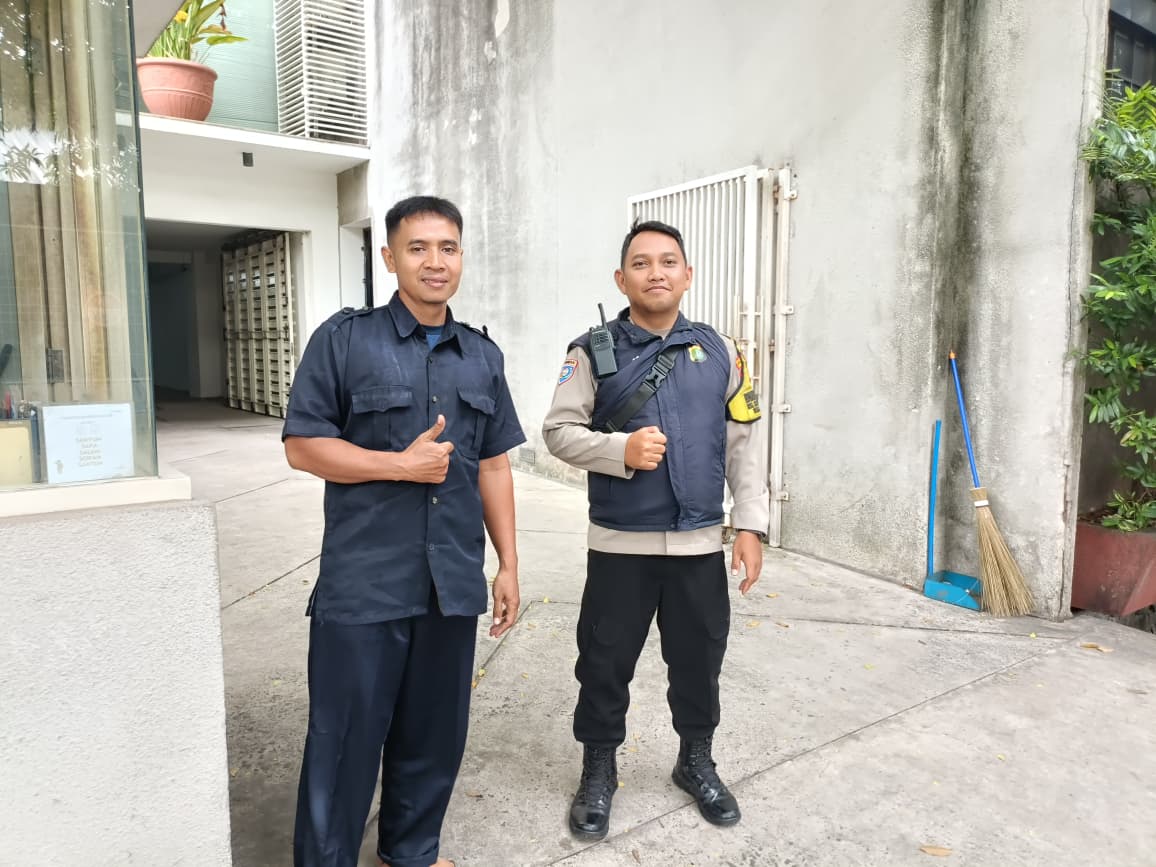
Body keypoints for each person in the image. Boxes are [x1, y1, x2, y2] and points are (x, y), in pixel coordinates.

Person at [282, 196, 526, 867]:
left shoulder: (482, 356)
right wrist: (399, 465)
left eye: (448, 248)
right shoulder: (345, 340)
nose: (435, 261)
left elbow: (494, 463)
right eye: (418, 248)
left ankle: (410, 853)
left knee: (434, 734)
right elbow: (302, 445)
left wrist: (507, 562)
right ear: (390, 258)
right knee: (344, 740)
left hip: (450, 583)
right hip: (366, 582)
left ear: (462, 257)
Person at [542, 218, 769, 841]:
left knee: (699, 659)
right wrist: (620, 449)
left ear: (687, 275)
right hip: (621, 546)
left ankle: (696, 761)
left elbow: (744, 442)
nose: (656, 273)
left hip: (699, 545)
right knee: (604, 662)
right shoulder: (591, 351)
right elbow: (558, 432)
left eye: (668, 262)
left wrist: (750, 525)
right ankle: (599, 769)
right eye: (641, 264)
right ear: (622, 279)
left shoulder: (722, 352)